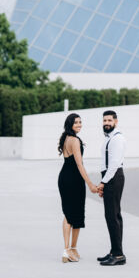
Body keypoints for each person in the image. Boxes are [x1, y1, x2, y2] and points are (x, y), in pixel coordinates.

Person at [57, 113, 98, 263]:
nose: (79, 125)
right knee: (72, 214)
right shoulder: (74, 140)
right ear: (70, 124)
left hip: (65, 178)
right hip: (73, 179)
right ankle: (67, 250)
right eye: (76, 123)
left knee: (72, 213)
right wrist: (90, 184)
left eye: (80, 122)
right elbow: (79, 165)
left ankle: (72, 249)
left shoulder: (66, 138)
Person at [96, 110, 126, 266]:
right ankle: (115, 251)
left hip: (113, 177)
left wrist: (103, 182)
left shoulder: (117, 139)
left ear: (116, 122)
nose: (106, 123)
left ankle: (118, 255)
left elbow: (114, 164)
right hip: (110, 177)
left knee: (112, 216)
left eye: (109, 120)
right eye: (104, 120)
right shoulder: (109, 138)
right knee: (112, 215)